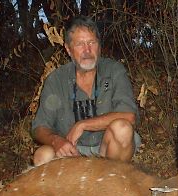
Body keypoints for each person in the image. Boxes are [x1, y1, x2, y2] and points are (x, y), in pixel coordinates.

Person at [32, 15, 141, 166]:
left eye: (92, 42)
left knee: (122, 129)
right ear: (68, 49)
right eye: (80, 44)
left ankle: (110, 183)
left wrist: (82, 125)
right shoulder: (56, 80)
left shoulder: (114, 70)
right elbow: (39, 128)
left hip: (108, 150)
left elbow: (129, 116)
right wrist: (56, 141)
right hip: (72, 152)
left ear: (99, 46)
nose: (87, 50)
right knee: (42, 156)